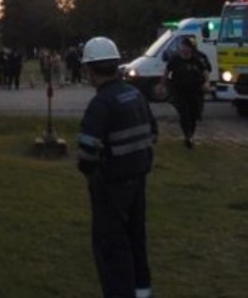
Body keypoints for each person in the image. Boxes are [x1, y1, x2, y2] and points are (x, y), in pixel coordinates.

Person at [78, 37, 157, 298]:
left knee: (111, 247)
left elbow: (87, 154)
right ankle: (142, 292)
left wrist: (94, 173)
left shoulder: (101, 104)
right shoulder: (135, 94)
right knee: (136, 240)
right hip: (138, 180)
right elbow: (153, 133)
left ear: (89, 70)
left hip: (111, 186)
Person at [158, 36, 210, 148]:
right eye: (184, 46)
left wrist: (207, 83)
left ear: (191, 49)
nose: (185, 49)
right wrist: (161, 86)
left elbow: (205, 72)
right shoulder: (175, 60)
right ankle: (188, 137)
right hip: (179, 92)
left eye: (188, 47)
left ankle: (190, 134)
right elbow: (166, 73)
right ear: (181, 47)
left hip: (195, 92)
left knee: (194, 115)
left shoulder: (197, 60)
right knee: (184, 114)